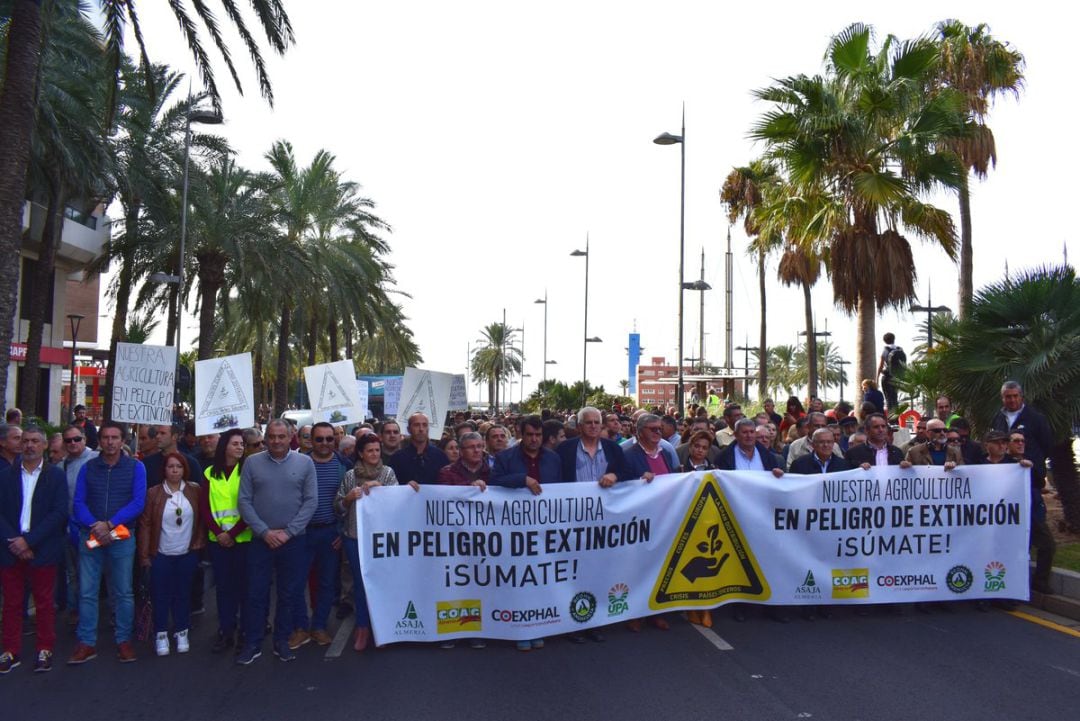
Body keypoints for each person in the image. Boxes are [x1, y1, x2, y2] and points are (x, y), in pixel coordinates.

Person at [235, 419, 317, 665]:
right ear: (266, 437)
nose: (276, 441)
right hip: (262, 541)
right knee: (256, 593)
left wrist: (288, 532)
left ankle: (282, 640)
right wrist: (264, 532)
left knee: (288, 593)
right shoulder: (252, 463)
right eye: (271, 436)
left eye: (281, 436)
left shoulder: (305, 463)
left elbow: (310, 501)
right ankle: (253, 642)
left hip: (293, 541)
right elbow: (244, 501)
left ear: (290, 436)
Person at [69, 422, 147, 665]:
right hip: (90, 535)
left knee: (123, 591)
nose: (110, 442)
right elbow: (78, 502)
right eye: (105, 437)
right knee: (88, 591)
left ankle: (123, 640)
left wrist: (110, 524)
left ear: (122, 440)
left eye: (115, 437)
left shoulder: (136, 467)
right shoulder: (88, 468)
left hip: (121, 536)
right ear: (100, 440)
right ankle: (86, 642)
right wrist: (95, 525)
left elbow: (138, 502)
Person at [0, 426, 68, 674]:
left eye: (35, 441)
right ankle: (9, 649)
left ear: (45, 445)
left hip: (43, 548)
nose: (29, 445)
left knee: (44, 602)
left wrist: (29, 541)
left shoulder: (56, 477)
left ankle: (45, 647)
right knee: (12, 603)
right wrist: (15, 542)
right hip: (10, 550)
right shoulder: (5, 475)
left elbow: (59, 513)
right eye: (26, 441)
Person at [336, 435, 412, 652]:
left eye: (377, 451)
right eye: (369, 451)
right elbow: (338, 508)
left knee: (382, 584)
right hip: (355, 538)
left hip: (381, 540)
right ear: (360, 453)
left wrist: (381, 489)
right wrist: (349, 498)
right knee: (361, 585)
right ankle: (362, 628)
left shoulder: (388, 473)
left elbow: (396, 503)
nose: (374, 454)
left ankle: (383, 628)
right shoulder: (351, 476)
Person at [989, 381, 1056, 594]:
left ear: (1022, 397)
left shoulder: (1036, 419)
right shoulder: (998, 418)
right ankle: (1014, 586)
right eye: (1007, 396)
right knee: (1013, 543)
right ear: (1002, 398)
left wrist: (1031, 463)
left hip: (1029, 490)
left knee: (1045, 542)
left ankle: (1040, 583)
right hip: (1004, 490)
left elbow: (1046, 446)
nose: (1011, 400)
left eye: (1015, 396)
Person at [137, 452, 205, 656]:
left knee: (183, 593)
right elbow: (146, 525)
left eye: (179, 466)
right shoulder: (154, 493)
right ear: (164, 470)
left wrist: (199, 545)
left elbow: (202, 519)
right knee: (160, 595)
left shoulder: (194, 490)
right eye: (170, 466)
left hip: (187, 552)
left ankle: (181, 631)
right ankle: (160, 633)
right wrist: (144, 555)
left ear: (185, 469)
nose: (175, 470)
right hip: (161, 553)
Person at [293, 422, 349, 649]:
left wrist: (341, 531)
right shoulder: (297, 464)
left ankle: (318, 626)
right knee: (296, 583)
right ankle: (300, 627)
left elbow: (350, 503)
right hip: (301, 533)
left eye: (329, 438)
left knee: (326, 584)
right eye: (319, 439)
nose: (325, 443)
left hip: (330, 532)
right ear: (310, 441)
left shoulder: (344, 465)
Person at [199, 429, 252, 653]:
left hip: (244, 539)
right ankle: (225, 629)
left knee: (244, 588)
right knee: (224, 588)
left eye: (242, 444)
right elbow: (205, 507)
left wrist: (232, 533)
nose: (240, 447)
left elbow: (251, 505)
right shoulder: (210, 473)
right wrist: (220, 533)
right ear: (225, 447)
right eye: (235, 443)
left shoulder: (248, 472)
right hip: (218, 540)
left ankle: (244, 631)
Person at [388, 413, 450, 486]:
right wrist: (404, 487)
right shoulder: (397, 458)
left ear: (428, 428)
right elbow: (391, 487)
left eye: (424, 425)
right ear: (408, 429)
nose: (421, 429)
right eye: (416, 425)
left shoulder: (440, 456)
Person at [623, 414, 677, 482]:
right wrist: (639, 480)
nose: (658, 432)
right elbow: (621, 485)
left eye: (660, 429)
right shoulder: (627, 456)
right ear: (640, 431)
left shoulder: (666, 453)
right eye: (653, 429)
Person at [877, 332, 905, 412]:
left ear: (884, 340)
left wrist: (877, 377)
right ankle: (896, 418)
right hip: (897, 377)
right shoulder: (900, 349)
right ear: (894, 339)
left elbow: (881, 365)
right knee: (895, 398)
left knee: (889, 398)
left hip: (888, 377)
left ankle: (891, 418)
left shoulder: (885, 350)